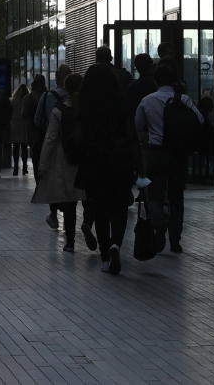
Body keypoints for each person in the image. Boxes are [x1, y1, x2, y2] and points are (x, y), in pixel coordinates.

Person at [134, 62, 203, 253]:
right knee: (176, 196)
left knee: (154, 195)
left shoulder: (147, 101)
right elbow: (200, 120)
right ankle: (175, 240)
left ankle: (159, 226)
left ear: (156, 80)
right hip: (178, 154)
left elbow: (138, 127)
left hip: (155, 153)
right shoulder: (184, 100)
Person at [78, 63, 138, 275]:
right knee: (119, 207)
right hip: (120, 161)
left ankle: (104, 255)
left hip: (94, 162)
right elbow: (131, 135)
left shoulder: (84, 106)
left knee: (100, 208)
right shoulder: (121, 103)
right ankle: (116, 244)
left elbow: (80, 137)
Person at [30, 74, 84, 252]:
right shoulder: (88, 109)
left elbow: (50, 139)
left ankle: (70, 241)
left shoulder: (58, 111)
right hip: (85, 160)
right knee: (88, 198)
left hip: (65, 160)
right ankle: (89, 224)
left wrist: (43, 165)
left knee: (69, 201)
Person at [9, 83, 34, 175]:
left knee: (16, 147)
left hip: (15, 125)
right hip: (24, 126)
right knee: (24, 148)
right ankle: (24, 167)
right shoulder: (27, 100)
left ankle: (16, 167)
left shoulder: (13, 101)